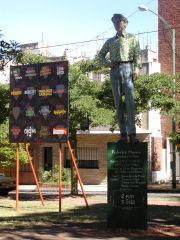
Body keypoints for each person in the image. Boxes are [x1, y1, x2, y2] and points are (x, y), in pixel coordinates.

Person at [98, 14, 142, 143]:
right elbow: (100, 55)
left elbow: (137, 55)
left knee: (130, 102)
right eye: (114, 23)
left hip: (128, 68)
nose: (116, 25)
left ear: (125, 23)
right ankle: (123, 134)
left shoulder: (133, 38)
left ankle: (132, 134)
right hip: (115, 70)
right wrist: (107, 64)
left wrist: (137, 69)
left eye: (118, 22)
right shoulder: (110, 41)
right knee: (118, 103)